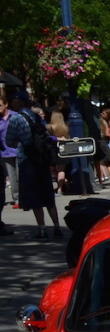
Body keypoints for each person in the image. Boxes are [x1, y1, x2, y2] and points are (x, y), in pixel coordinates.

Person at [3, 89, 62, 239]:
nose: (11, 103)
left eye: (13, 100)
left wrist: (18, 141)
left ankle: (42, 229)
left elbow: (9, 141)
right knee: (48, 195)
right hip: (42, 159)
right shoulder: (36, 116)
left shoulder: (16, 119)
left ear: (20, 102)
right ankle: (57, 227)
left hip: (27, 160)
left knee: (35, 197)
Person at [0, 93, 17, 215]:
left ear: (6, 104)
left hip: (18, 151)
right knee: (12, 177)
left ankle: (23, 198)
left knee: (21, 176)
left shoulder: (15, 116)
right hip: (5, 152)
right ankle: (17, 199)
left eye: (0, 105)